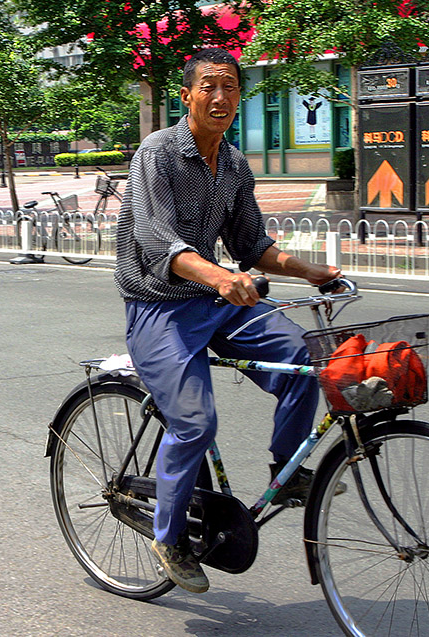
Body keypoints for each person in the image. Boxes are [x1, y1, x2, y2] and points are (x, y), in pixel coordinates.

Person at [114, 48, 341, 594]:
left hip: (215, 300)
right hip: (159, 306)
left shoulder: (234, 163)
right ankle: (168, 539)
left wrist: (310, 271)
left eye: (230, 87)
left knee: (301, 356)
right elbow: (157, 240)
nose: (220, 97)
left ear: (240, 96)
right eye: (209, 87)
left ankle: (285, 472)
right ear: (188, 95)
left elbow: (249, 244)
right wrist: (218, 277)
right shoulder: (158, 154)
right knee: (195, 422)